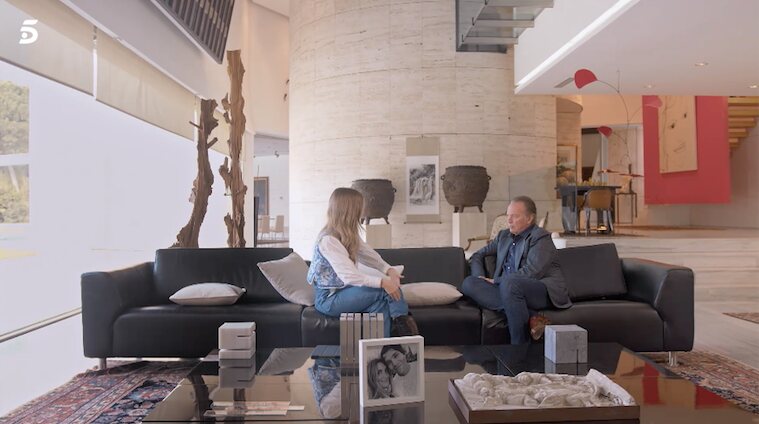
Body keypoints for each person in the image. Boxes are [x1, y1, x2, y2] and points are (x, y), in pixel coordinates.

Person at [307, 187, 419, 337]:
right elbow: (350, 276)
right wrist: (384, 282)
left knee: (380, 304)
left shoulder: (347, 234)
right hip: (329, 299)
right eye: (360, 207)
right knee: (383, 290)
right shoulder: (328, 240)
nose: (362, 211)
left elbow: (368, 255)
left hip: (344, 292)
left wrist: (389, 270)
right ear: (350, 210)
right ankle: (406, 332)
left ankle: (378, 351)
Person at [460, 196, 572, 344]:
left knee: (510, 283)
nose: (509, 220)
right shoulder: (504, 236)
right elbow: (478, 255)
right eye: (508, 216)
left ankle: (519, 348)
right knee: (469, 283)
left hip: (539, 290)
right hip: (508, 290)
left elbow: (532, 272)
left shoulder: (540, 238)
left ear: (529, 218)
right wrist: (480, 277)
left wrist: (496, 280)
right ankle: (533, 317)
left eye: (515, 216)